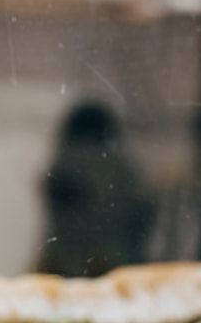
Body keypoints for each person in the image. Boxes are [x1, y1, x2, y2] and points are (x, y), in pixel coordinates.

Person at [36, 100, 155, 277]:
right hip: (107, 264)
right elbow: (144, 214)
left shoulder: (63, 163)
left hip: (79, 263)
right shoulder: (122, 169)